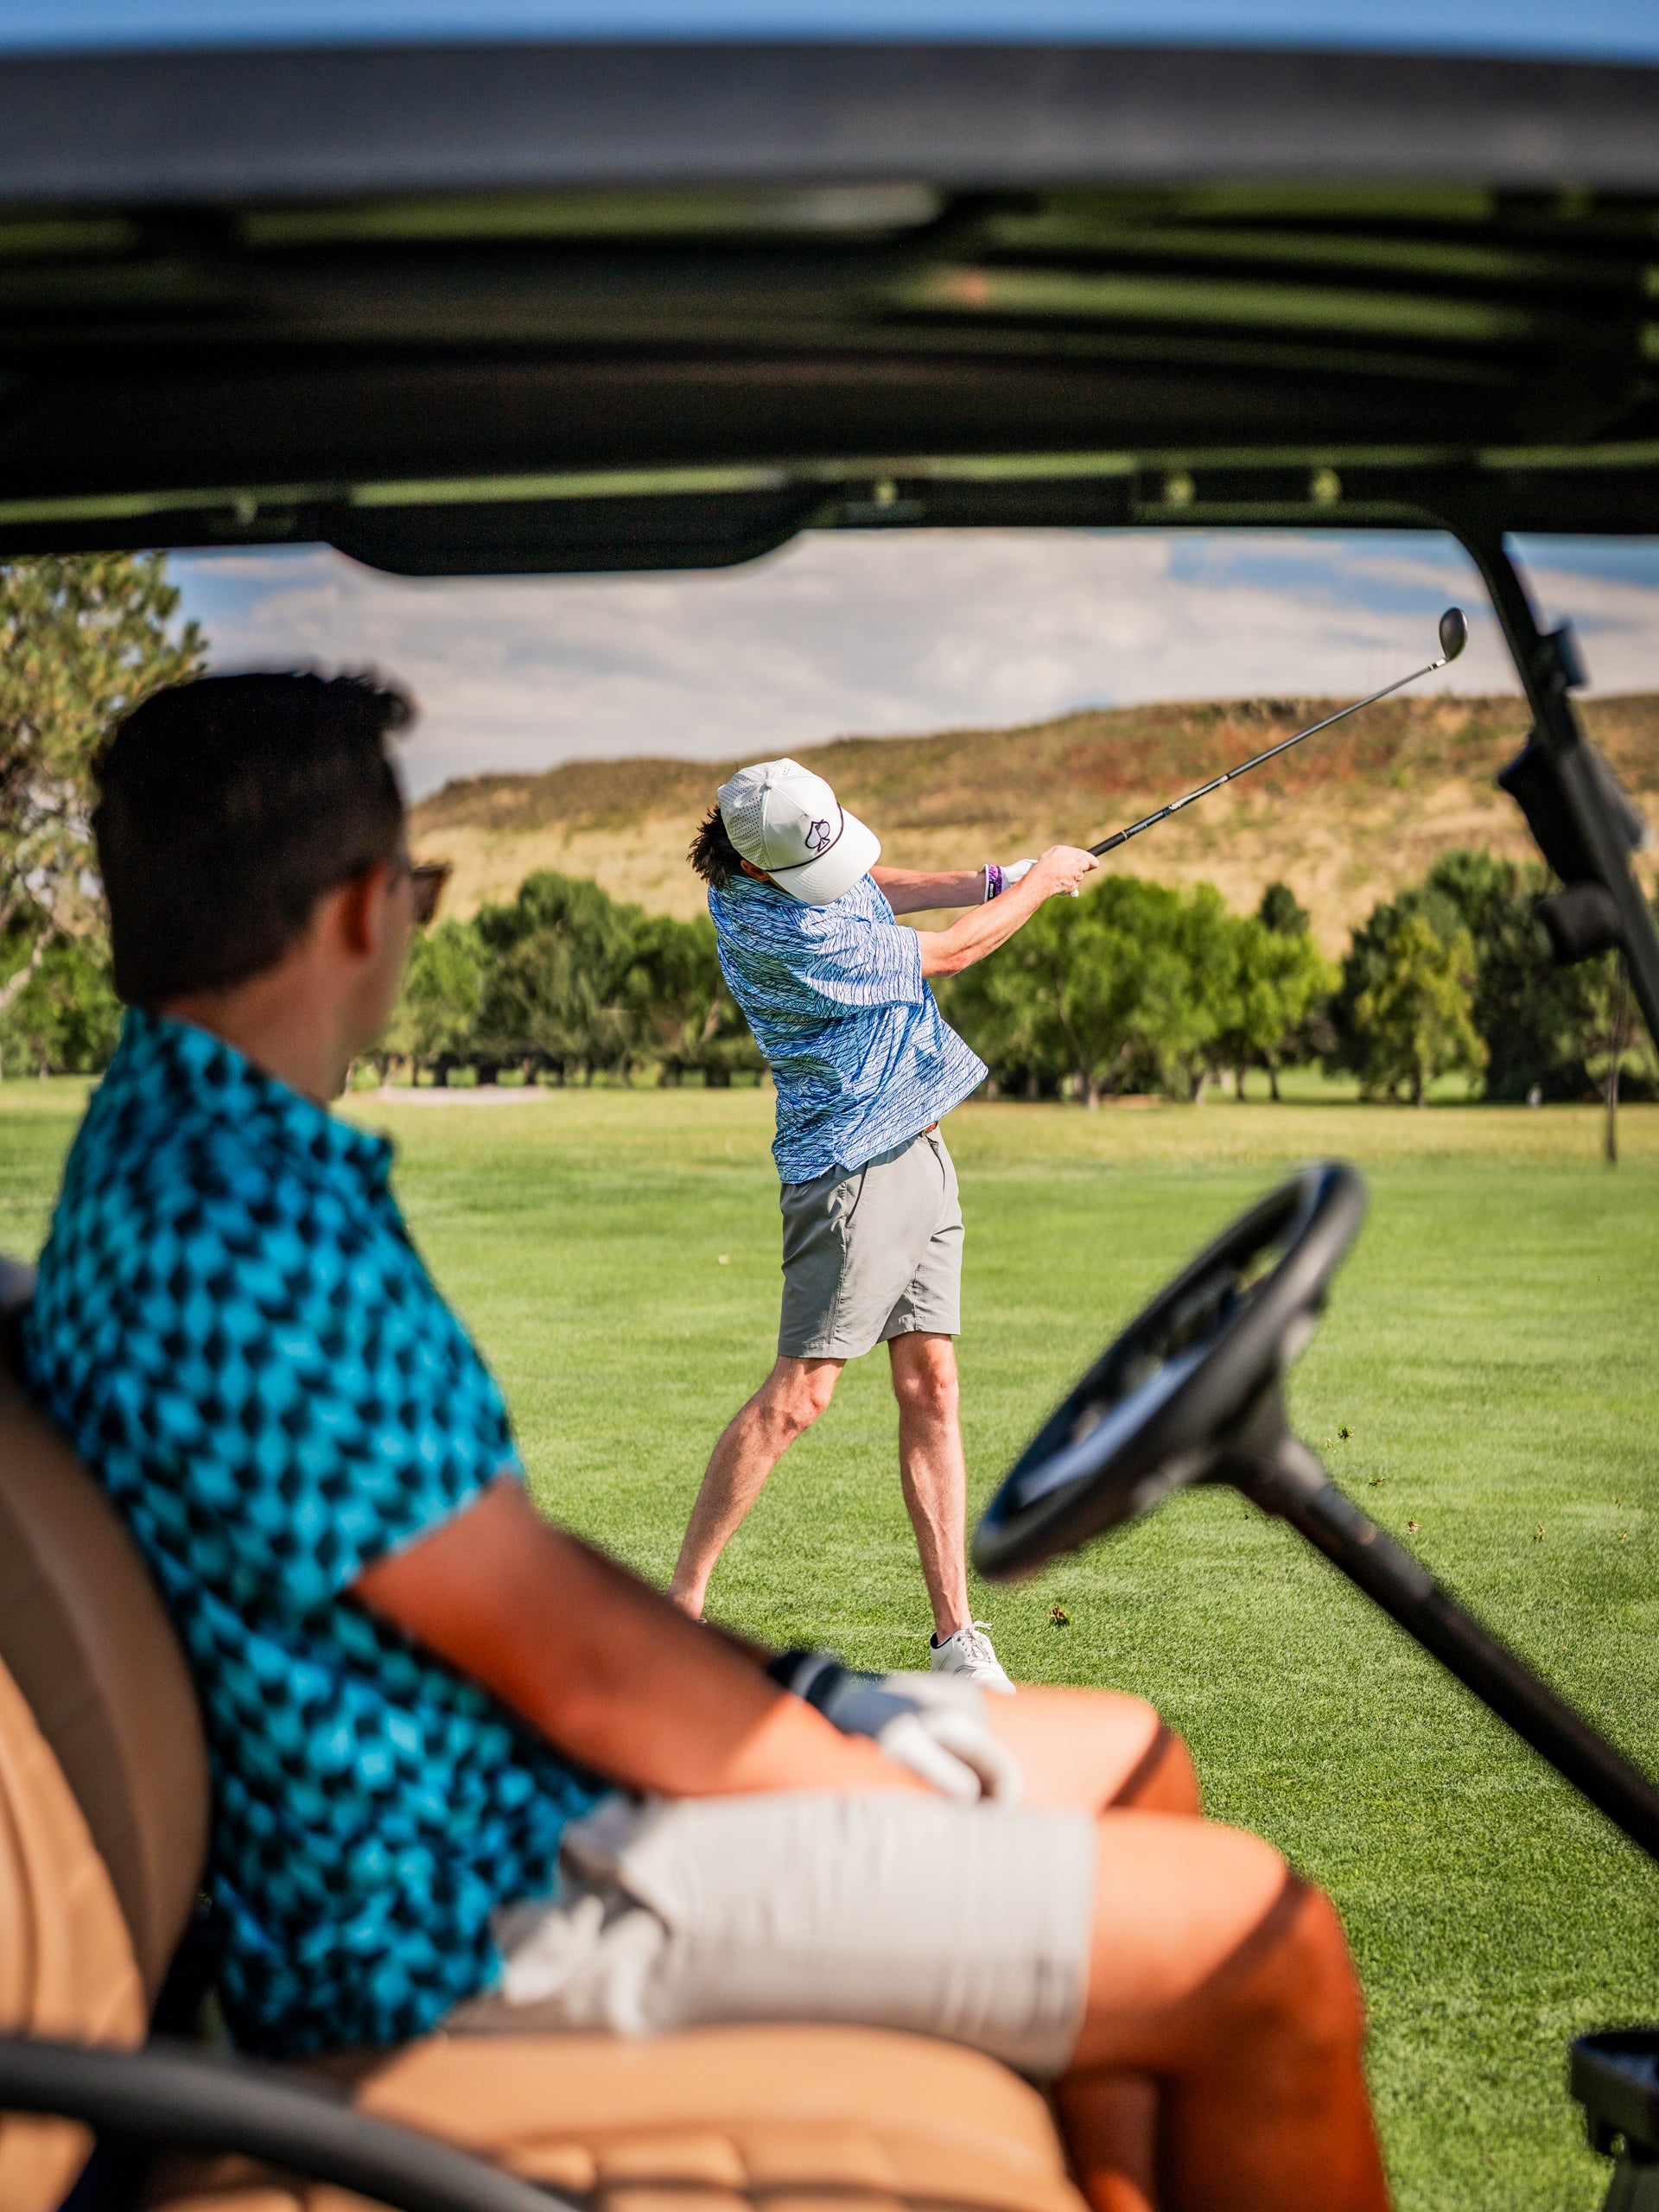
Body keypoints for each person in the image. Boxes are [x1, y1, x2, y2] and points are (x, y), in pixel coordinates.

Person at [23, 673, 1389, 2212]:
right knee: (1272, 1951)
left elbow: (493, 1579)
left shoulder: (182, 1152)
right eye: (418, 887)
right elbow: (571, 1664)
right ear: (359, 912)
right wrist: (847, 1777)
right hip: (467, 1896)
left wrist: (782, 1687)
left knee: (1140, 1760)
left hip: (480, 1803)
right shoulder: (250, 1231)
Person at [669, 757, 1096, 1688]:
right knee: (800, 1397)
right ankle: (678, 1612)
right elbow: (951, 952)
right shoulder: (775, 930)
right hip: (852, 1173)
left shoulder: (786, 846)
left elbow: (873, 886)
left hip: (922, 1151)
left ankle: (956, 1639)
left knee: (932, 1384)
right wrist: (1037, 886)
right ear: (754, 870)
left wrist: (994, 877)